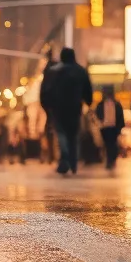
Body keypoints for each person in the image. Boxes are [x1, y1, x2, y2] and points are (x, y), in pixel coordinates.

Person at [39, 46, 92, 175]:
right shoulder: (80, 71)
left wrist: (47, 107)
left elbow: (45, 91)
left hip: (58, 109)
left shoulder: (53, 71)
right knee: (73, 135)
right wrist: (87, 101)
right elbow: (88, 90)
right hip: (75, 108)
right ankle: (73, 163)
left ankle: (65, 158)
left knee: (61, 134)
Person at [95, 84, 126, 170]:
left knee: (112, 144)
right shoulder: (101, 104)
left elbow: (120, 116)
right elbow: (98, 114)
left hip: (113, 127)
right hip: (105, 127)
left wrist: (120, 127)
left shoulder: (116, 104)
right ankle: (110, 160)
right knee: (108, 144)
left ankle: (111, 159)